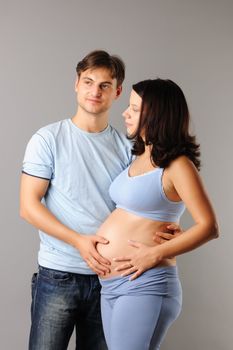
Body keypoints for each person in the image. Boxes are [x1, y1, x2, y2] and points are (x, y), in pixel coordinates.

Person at [20, 51, 179, 350]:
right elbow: (28, 207)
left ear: (118, 92)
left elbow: (149, 197)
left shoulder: (128, 148)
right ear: (76, 84)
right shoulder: (48, 139)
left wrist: (170, 228)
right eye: (89, 81)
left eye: (105, 85)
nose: (95, 91)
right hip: (59, 275)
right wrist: (78, 241)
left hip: (112, 278)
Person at [96, 78, 219, 350]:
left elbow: (209, 226)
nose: (125, 113)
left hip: (146, 284)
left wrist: (155, 252)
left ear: (157, 114)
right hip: (113, 285)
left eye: (134, 108)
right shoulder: (139, 156)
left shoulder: (178, 166)